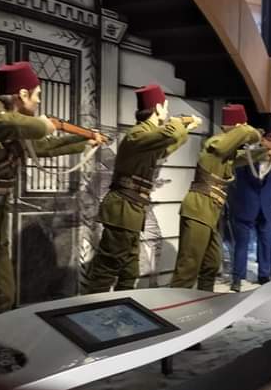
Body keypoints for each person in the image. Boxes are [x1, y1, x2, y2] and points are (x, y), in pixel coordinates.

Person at [0, 61, 107, 335]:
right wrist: (41, 125)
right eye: (37, 95)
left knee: (2, 297)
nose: (39, 101)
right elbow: (16, 125)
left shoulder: (14, 129)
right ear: (23, 94)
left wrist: (84, 141)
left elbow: (45, 146)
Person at [84, 84, 200, 293]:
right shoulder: (137, 134)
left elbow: (166, 147)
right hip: (123, 208)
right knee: (107, 268)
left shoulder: (146, 137)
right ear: (158, 108)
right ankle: (88, 308)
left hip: (132, 208)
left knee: (129, 272)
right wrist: (179, 122)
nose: (167, 113)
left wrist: (186, 130)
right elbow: (170, 134)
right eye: (165, 108)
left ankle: (120, 307)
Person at [170, 104, 261, 291]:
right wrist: (248, 130)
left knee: (211, 263)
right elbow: (232, 142)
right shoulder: (215, 144)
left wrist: (267, 150)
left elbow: (244, 157)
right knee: (188, 266)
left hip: (210, 212)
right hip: (198, 209)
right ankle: (173, 305)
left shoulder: (227, 153)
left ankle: (204, 301)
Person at [228, 130, 271, 291]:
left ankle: (264, 275)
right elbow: (236, 164)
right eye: (270, 140)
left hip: (265, 207)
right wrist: (264, 152)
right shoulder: (247, 155)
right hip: (245, 205)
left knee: (266, 242)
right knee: (242, 243)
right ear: (262, 140)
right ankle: (237, 277)